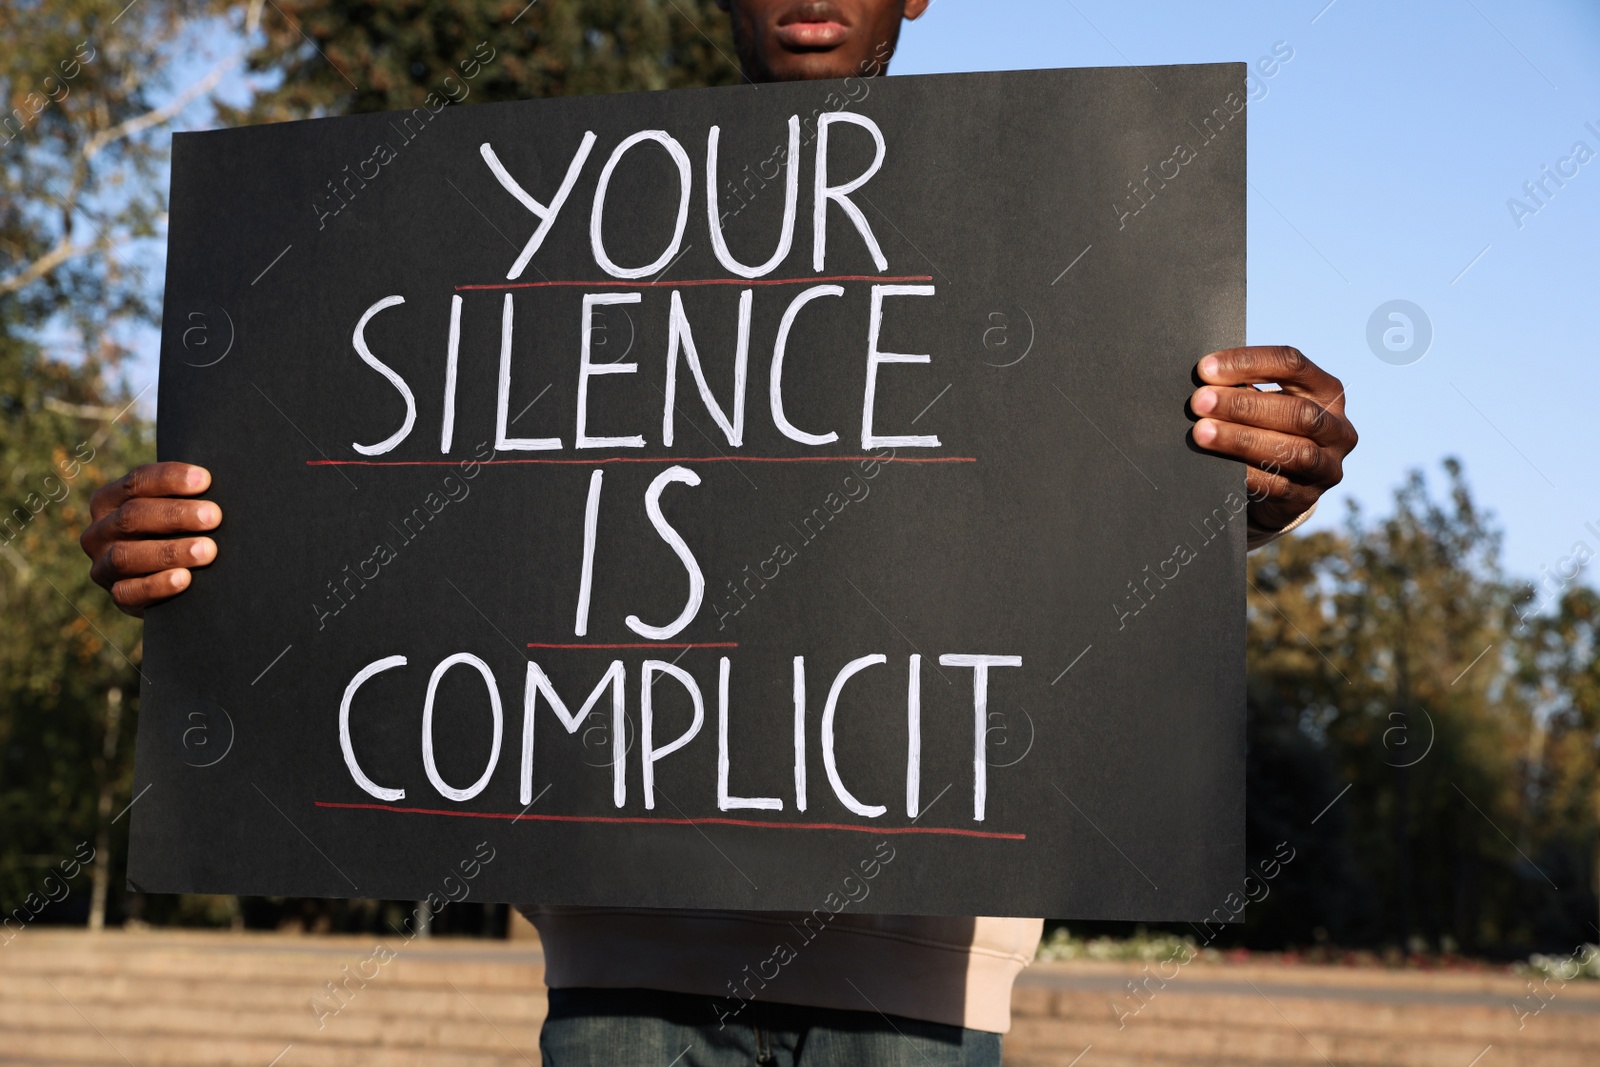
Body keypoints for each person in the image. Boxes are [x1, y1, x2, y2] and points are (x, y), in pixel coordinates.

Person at [80, 0, 1359, 1063]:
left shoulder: (1055, 231)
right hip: (621, 983)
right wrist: (197, 550)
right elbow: (396, 507)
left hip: (926, 988)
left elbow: (1068, 520)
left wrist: (1236, 490)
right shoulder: (550, 223)